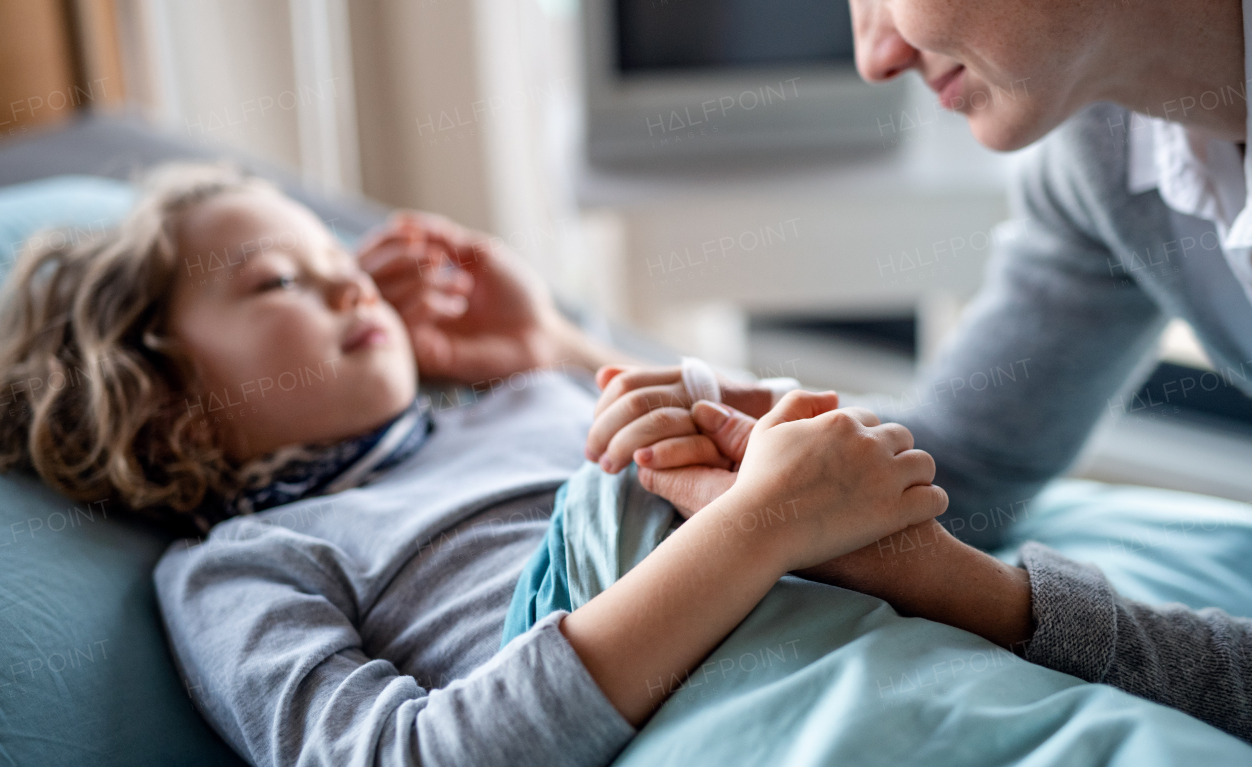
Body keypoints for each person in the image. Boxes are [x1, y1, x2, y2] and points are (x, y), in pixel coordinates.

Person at [585, 0, 1252, 752]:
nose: (872, 57)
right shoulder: (1104, 152)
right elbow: (971, 458)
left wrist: (979, 595)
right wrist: (788, 443)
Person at [0, 162, 947, 766]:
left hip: (885, 652)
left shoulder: (533, 391)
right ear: (162, 399)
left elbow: (850, 466)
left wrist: (556, 343)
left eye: (338, 254)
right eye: (277, 278)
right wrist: (754, 529)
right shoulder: (245, 562)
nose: (348, 279)